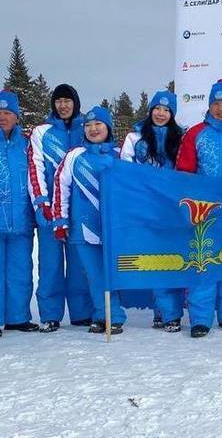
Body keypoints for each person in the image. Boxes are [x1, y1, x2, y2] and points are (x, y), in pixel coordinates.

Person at [175, 80, 222, 338]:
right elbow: (184, 173)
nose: (220, 109)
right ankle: (201, 318)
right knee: (202, 261)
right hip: (203, 210)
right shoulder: (195, 134)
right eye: (216, 103)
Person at [53, 106, 126, 334]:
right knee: (94, 275)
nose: (93, 129)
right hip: (83, 226)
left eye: (98, 124)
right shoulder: (75, 155)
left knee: (111, 272)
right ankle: (101, 314)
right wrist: (60, 219)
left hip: (113, 227)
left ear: (108, 127)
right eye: (88, 125)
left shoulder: (119, 154)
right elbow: (60, 186)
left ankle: (114, 315)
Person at [28, 84, 93, 333]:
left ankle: (82, 312)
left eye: (67, 101)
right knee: (50, 264)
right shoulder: (42, 132)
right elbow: (35, 168)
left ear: (75, 103)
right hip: (50, 211)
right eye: (58, 101)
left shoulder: (87, 128)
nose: (63, 105)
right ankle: (51, 314)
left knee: (79, 264)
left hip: (80, 211)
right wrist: (42, 202)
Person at [120, 90, 184, 332]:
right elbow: (125, 172)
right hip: (145, 210)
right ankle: (165, 312)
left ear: (172, 114)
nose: (161, 113)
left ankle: (170, 313)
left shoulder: (180, 138)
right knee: (156, 262)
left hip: (171, 210)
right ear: (150, 110)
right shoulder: (135, 138)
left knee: (173, 261)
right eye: (157, 108)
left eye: (167, 110)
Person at [0, 91, 37, 336]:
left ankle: (17, 317)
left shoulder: (27, 144)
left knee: (21, 270)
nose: (2, 117)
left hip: (21, 220)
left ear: (16, 116)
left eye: (7, 113)